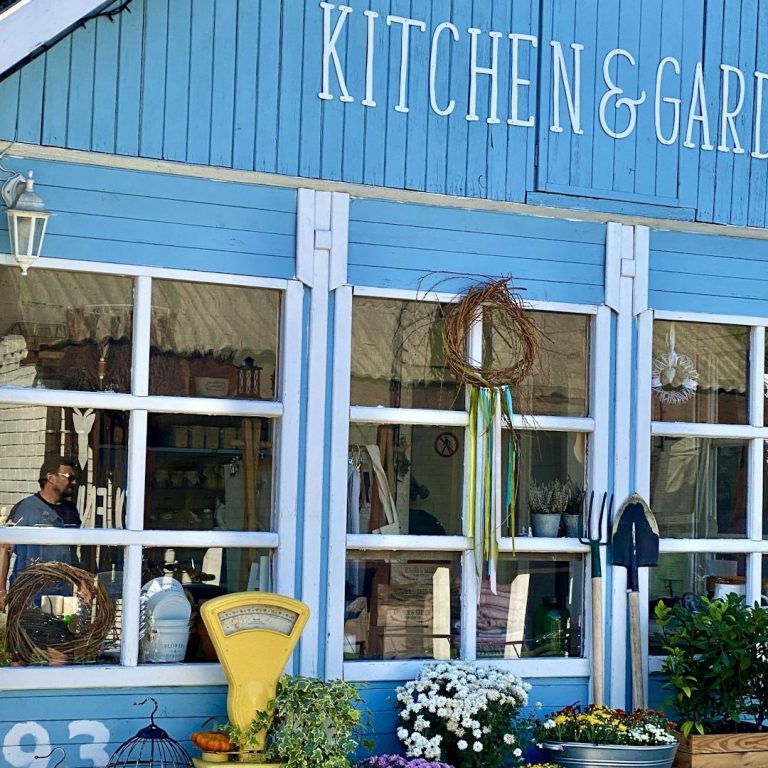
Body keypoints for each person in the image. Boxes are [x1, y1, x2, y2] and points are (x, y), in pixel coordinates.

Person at [0, 456, 81, 611]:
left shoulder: (71, 511)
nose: (73, 482)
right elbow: (5, 549)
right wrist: (1, 590)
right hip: (28, 592)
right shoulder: (25, 508)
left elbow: (72, 553)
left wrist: (81, 582)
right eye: (69, 477)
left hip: (61, 593)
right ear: (51, 478)